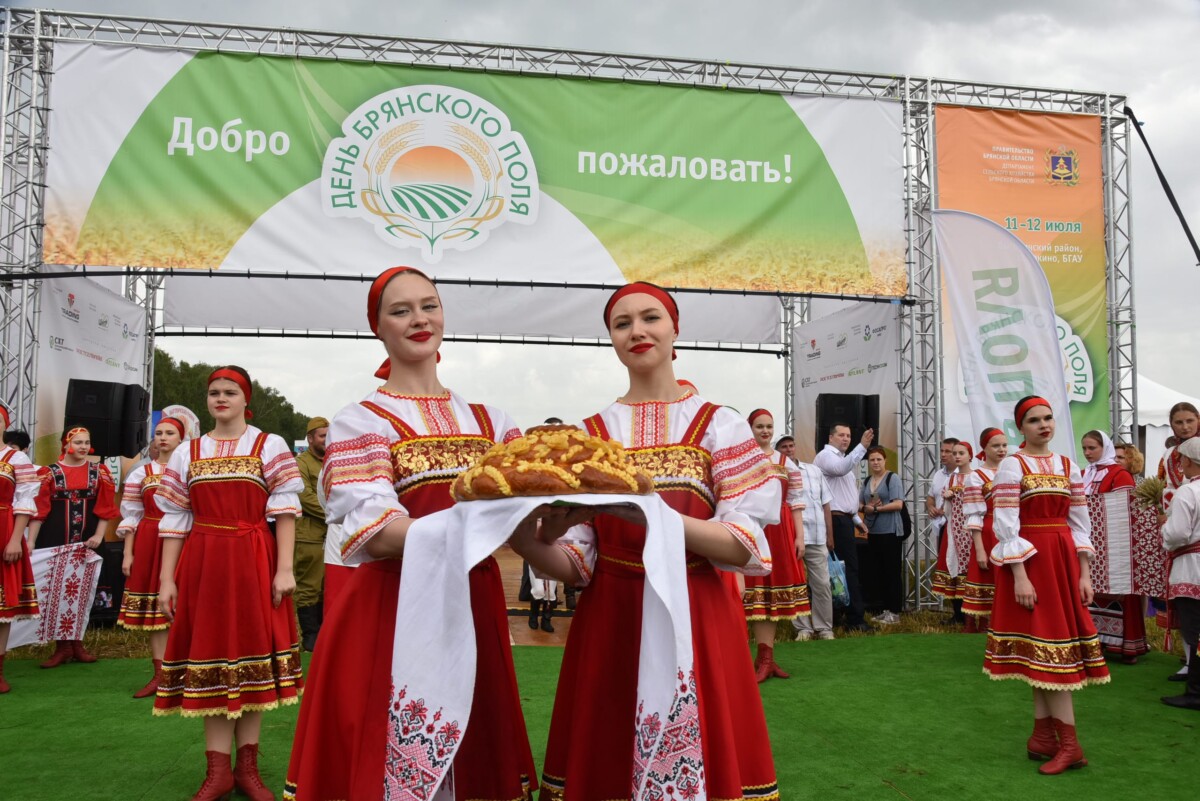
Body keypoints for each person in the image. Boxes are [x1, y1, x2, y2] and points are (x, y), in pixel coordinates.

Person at [513, 282, 780, 799]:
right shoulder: (591, 434)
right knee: (609, 756)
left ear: (675, 328)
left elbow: (743, 545)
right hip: (613, 615)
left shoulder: (719, 425)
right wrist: (526, 539)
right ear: (611, 339)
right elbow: (578, 565)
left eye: (650, 318)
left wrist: (649, 515)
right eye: (622, 323)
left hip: (697, 609)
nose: (637, 330)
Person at [285, 267, 537, 801]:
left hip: (474, 600)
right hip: (393, 604)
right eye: (400, 311)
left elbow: (523, 521)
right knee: (392, 756)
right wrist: (478, 524)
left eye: (429, 305)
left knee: (474, 754)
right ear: (378, 328)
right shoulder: (361, 421)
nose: (419, 319)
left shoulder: (493, 422)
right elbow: (376, 530)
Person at [154, 365, 304, 801]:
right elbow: (175, 520)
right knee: (211, 658)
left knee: (255, 661)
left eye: (230, 392)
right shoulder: (188, 451)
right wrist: (166, 579)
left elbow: (285, 511)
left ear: (245, 399)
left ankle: (247, 771)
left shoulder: (268, 444)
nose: (220, 398)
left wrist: (284, 568)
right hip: (203, 563)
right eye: (214, 392)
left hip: (254, 558)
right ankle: (218, 772)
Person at [985, 396, 1109, 775]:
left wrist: (1084, 573)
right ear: (1021, 427)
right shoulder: (1012, 465)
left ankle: (1049, 739)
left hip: (1063, 562)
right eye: (1034, 420)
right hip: (1032, 563)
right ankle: (1061, 743)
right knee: (1045, 652)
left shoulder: (1069, 465)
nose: (1044, 425)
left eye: (1048, 418)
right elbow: (1005, 522)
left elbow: (1080, 523)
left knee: (1049, 652)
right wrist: (1020, 575)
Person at [31, 426, 119, 667]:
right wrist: (30, 541)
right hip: (54, 541)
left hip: (88, 541)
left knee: (83, 590)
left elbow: (105, 508)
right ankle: (62, 647)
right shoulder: (49, 473)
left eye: (86, 442)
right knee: (57, 592)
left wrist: (99, 535)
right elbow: (39, 511)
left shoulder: (98, 472)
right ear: (66, 444)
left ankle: (77, 644)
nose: (83, 447)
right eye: (78, 442)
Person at [116, 417, 187, 699]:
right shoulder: (141, 473)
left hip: (185, 539)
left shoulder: (189, 470)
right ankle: (161, 675)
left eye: (170, 433)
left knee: (184, 606)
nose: (163, 437)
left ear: (181, 439)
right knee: (157, 612)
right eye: (159, 433)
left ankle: (187, 671)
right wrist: (128, 552)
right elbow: (132, 514)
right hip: (149, 539)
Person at [744, 409, 809, 681]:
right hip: (752, 527)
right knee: (756, 594)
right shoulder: (742, 459)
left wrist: (799, 536)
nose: (765, 431)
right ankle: (758, 658)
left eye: (769, 426)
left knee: (772, 594)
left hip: (780, 531)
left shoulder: (786, 462)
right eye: (759, 426)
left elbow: (795, 501)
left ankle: (766, 658)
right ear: (750, 428)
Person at [1080, 430, 1147, 663]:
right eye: (1085, 448)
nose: (1087, 453)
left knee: (1118, 590)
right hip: (1089, 542)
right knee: (1090, 591)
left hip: (1115, 545)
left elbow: (1125, 511)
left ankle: (1125, 645)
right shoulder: (1083, 474)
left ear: (1104, 448)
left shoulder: (1120, 474)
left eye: (1092, 448)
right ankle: (1094, 641)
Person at [815, 422, 874, 631]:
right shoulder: (826, 456)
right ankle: (854, 619)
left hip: (844, 519)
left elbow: (844, 495)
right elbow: (840, 471)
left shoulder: (843, 459)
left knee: (842, 569)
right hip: (835, 520)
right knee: (845, 569)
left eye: (848, 435)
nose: (846, 439)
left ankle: (842, 614)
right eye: (841, 435)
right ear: (830, 437)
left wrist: (857, 520)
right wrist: (862, 446)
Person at [0, 406, 39, 693]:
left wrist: (16, 539)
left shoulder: (16, 459)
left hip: (3, 531)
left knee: (1, 609)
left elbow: (25, 501)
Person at [1160, 437, 1200, 709]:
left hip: (1192, 569)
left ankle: (1196, 692)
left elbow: (1178, 534)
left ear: (1187, 461)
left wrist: (1164, 527)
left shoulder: (1188, 492)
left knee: (1195, 632)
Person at [962, 428, 1008, 630]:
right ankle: (985, 625)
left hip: (1012, 531)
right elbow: (974, 514)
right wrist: (980, 548)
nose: (1001, 450)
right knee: (989, 577)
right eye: (996, 446)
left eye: (1004, 445)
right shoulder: (976, 476)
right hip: (989, 532)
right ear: (984, 448)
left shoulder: (1013, 471)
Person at [858, 446, 905, 625]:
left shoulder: (893, 478)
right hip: (874, 531)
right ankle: (885, 610)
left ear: (885, 460)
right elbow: (859, 504)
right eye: (872, 460)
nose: (876, 462)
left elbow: (898, 504)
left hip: (890, 531)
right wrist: (866, 508)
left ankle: (895, 612)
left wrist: (877, 509)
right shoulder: (867, 480)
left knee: (892, 571)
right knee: (879, 572)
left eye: (879, 459)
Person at [294, 416, 329, 652]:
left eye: (329, 435)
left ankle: (324, 632)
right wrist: (335, 513)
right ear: (310, 438)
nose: (327, 440)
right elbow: (304, 496)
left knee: (328, 584)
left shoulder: (333, 462)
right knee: (309, 585)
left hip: (332, 533)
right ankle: (310, 636)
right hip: (309, 533)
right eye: (322, 436)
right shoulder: (301, 463)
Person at [792, 453, 835, 641]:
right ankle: (803, 629)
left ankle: (824, 628)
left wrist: (830, 535)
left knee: (822, 584)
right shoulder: (775, 471)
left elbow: (826, 504)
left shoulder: (814, 471)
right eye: (783, 446)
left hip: (817, 536)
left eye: (791, 445)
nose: (788, 449)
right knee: (796, 585)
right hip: (792, 538)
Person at [933, 441, 973, 624]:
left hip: (971, 532)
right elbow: (946, 511)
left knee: (971, 571)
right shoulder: (951, 480)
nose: (957, 456)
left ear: (970, 456)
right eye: (955, 453)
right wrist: (947, 499)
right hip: (953, 531)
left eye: (961, 453)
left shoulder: (976, 477)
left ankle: (974, 614)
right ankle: (958, 615)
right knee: (953, 569)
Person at [1159, 402, 1200, 512]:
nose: (1185, 427)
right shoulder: (1168, 455)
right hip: (1174, 516)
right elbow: (1160, 487)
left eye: (1190, 421)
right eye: (1179, 422)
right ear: (1171, 424)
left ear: (1198, 420)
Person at [926, 437, 960, 541]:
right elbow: (931, 497)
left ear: (957, 453)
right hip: (940, 527)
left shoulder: (965, 475)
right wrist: (931, 507)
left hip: (959, 529)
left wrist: (946, 511)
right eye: (941, 451)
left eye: (947, 451)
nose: (943, 454)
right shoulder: (938, 474)